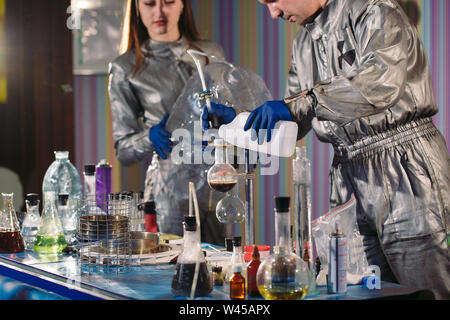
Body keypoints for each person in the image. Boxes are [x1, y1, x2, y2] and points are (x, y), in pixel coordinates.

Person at [204, 0, 450, 299]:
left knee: (429, 290)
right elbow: (291, 120)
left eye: (272, 1)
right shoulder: (304, 43)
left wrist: (299, 104)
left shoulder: (375, 11)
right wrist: (239, 121)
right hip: (348, 175)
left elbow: (380, 85)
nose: (274, 14)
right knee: (363, 292)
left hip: (403, 167)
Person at [108, 0, 226, 244]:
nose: (159, 12)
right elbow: (124, 150)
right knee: (173, 268)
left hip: (216, 181)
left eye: (169, 1)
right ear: (137, 9)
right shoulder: (125, 68)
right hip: (168, 191)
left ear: (182, 5)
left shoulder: (210, 54)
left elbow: (227, 106)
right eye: (150, 3)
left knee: (221, 269)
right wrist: (149, 136)